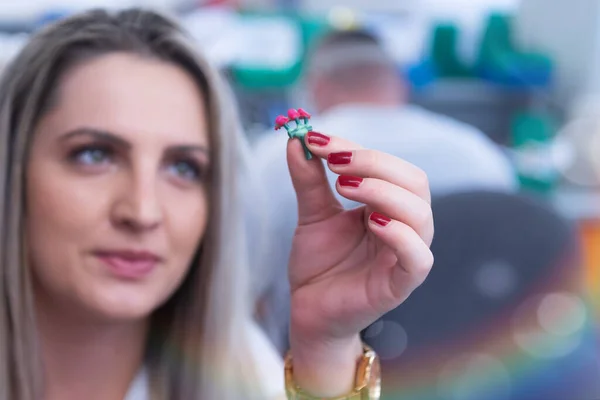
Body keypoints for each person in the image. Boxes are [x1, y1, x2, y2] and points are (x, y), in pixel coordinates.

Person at [0, 8, 434, 400]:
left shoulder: (240, 370)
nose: (143, 211)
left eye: (184, 168)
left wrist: (326, 348)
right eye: (94, 155)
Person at [252, 29, 517, 353]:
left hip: (304, 359)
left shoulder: (275, 155)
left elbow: (247, 289)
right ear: (398, 84)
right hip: (463, 357)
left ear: (316, 86)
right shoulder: (479, 153)